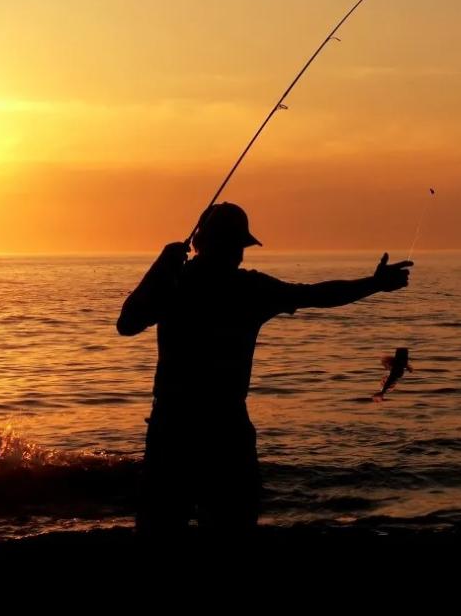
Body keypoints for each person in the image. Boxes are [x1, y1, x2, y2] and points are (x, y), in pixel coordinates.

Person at [116, 202, 413, 539]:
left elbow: (127, 323)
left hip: (176, 427)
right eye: (234, 246)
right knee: (228, 528)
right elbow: (317, 295)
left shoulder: (177, 283)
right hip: (220, 429)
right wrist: (373, 284)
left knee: (164, 530)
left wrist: (160, 268)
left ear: (198, 240)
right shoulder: (242, 288)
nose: (237, 254)